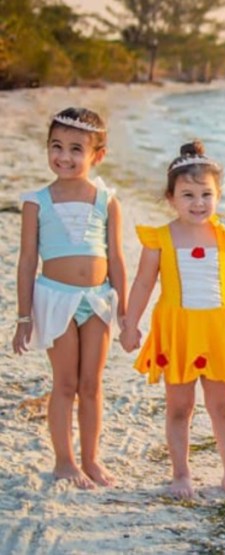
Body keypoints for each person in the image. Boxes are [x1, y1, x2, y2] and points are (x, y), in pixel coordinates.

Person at [120, 140, 225, 499]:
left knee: (222, 405)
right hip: (177, 332)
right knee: (180, 406)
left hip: (217, 332)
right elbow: (144, 283)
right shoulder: (160, 239)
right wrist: (130, 324)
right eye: (188, 195)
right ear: (170, 197)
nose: (198, 203)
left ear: (219, 196)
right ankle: (181, 473)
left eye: (206, 195)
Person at [13, 107, 127, 489]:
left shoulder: (107, 199)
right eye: (56, 146)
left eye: (76, 149)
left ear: (98, 155)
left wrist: (124, 309)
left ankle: (91, 459)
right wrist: (23, 317)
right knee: (64, 383)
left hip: (97, 300)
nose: (64, 156)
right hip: (56, 299)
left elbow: (116, 258)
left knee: (91, 384)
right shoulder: (36, 201)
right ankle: (65, 460)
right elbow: (27, 261)